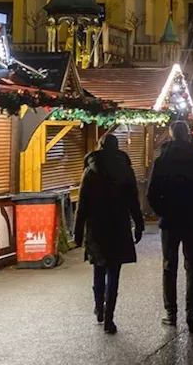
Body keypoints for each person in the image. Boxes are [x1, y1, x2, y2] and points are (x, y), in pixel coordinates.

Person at [146, 121, 193, 335]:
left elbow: (151, 193)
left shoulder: (162, 160)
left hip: (170, 221)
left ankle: (171, 313)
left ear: (171, 135)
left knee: (169, 266)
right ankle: (191, 313)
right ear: (187, 135)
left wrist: (163, 211)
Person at [73, 134, 144, 335]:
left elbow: (82, 204)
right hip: (119, 226)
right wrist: (138, 224)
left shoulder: (90, 170)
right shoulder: (125, 170)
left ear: (100, 146)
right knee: (114, 273)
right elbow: (133, 201)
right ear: (117, 146)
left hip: (97, 227)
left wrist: (77, 232)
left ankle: (99, 308)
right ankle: (110, 318)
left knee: (98, 268)